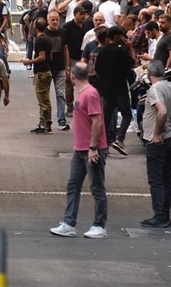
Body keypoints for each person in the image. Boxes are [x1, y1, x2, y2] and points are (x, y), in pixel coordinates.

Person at [49, 63, 109, 239]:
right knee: (73, 185)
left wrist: (93, 147)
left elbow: (97, 121)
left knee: (97, 187)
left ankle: (99, 225)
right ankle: (69, 223)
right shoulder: (82, 93)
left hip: (91, 149)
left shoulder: (90, 94)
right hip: (81, 149)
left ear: (72, 76)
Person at [140, 60, 171, 228]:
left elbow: (163, 111)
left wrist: (157, 133)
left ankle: (160, 216)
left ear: (149, 73)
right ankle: (164, 214)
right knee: (165, 177)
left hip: (158, 140)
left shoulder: (155, 89)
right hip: (170, 137)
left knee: (156, 179)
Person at [94, 26, 135, 155]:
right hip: (120, 88)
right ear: (117, 36)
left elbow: (97, 68)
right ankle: (119, 139)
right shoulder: (121, 51)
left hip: (106, 89)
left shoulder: (102, 51)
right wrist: (130, 48)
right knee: (127, 114)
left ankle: (103, 144)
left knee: (106, 116)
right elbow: (131, 64)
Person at [22, 19, 53, 134]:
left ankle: (46, 124)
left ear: (35, 26)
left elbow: (42, 56)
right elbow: (50, 56)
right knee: (43, 99)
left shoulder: (40, 40)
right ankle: (42, 122)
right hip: (46, 71)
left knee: (43, 100)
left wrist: (29, 61)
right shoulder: (47, 38)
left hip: (41, 73)